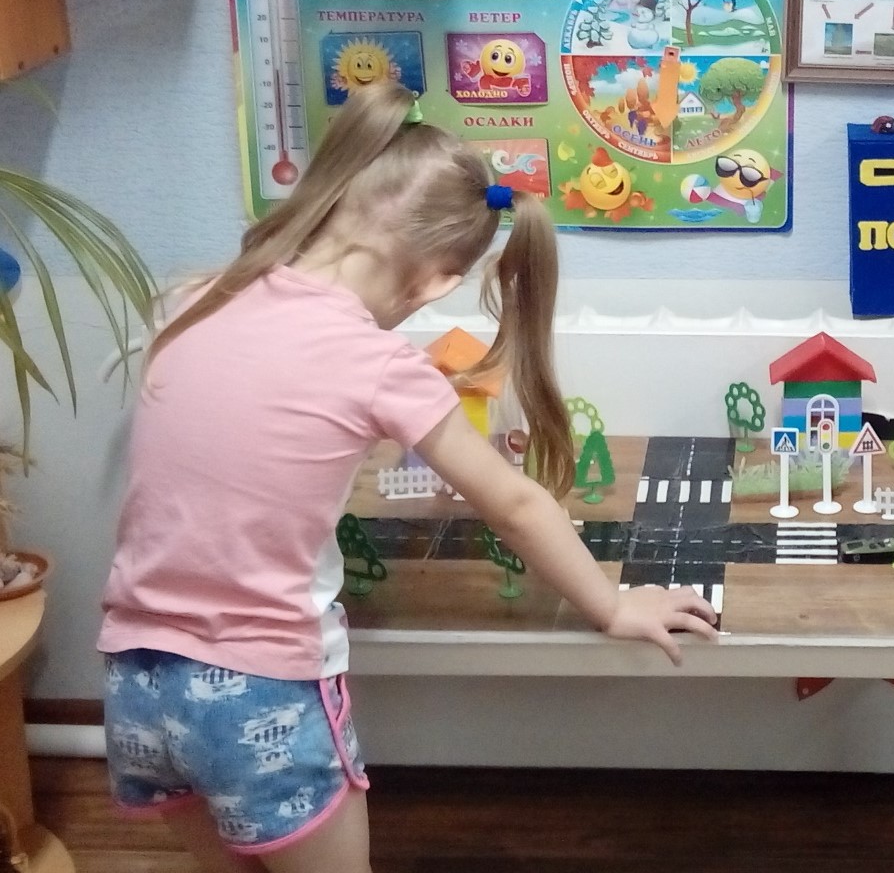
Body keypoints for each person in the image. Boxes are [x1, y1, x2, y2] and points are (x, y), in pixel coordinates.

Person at [98, 81, 716, 873]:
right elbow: (514, 503)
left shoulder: (192, 298)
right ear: (437, 282)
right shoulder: (379, 362)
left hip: (134, 678)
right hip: (261, 692)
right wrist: (614, 605)